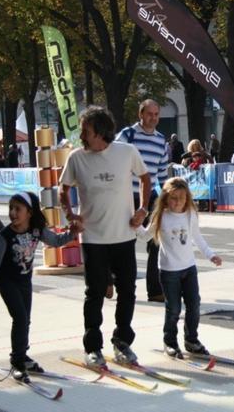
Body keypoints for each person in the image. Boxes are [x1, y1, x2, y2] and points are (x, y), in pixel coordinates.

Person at [59, 106, 151, 367]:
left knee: (128, 292)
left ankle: (122, 342)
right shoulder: (77, 158)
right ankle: (93, 348)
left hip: (123, 235)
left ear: (100, 132)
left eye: (86, 131)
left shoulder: (126, 152)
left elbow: (146, 178)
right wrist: (70, 215)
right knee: (94, 293)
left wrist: (143, 209)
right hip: (93, 238)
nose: (82, 137)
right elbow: (62, 189)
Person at [0, 192, 79, 380]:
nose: (13, 213)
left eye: (18, 209)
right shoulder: (5, 235)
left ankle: (23, 356)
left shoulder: (36, 230)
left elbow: (56, 241)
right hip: (7, 282)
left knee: (25, 319)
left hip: (25, 281)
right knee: (20, 318)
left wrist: (72, 233)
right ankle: (16, 361)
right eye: (11, 208)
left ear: (30, 213)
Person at [136, 178, 222, 358]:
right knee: (173, 308)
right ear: (166, 198)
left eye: (181, 198)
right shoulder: (161, 216)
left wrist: (210, 254)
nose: (177, 202)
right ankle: (170, 342)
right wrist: (135, 223)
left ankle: (191, 340)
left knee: (194, 305)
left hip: (189, 268)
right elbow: (145, 236)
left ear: (187, 198)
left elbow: (197, 237)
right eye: (173, 198)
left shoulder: (190, 213)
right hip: (169, 270)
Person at [116, 99, 169, 303]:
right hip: (126, 194)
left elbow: (163, 174)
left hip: (150, 195)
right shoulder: (128, 135)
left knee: (157, 238)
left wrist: (168, 197)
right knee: (123, 241)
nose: (153, 118)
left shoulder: (161, 140)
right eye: (149, 114)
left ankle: (155, 289)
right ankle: (116, 280)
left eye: (156, 114)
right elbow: (113, 158)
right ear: (141, 114)